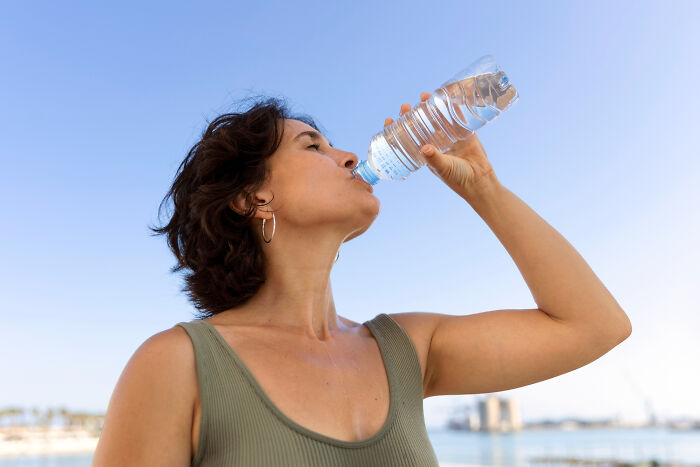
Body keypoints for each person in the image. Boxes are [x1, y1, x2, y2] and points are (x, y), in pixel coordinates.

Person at [92, 93, 632, 466]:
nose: (349, 156)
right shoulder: (177, 364)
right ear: (254, 197)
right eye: (314, 147)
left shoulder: (406, 349)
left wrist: (484, 187)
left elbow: (595, 325)